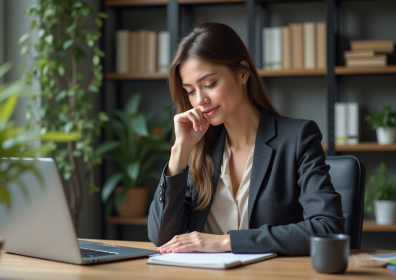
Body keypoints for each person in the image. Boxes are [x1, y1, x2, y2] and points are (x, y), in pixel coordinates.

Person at [147, 22, 344, 256]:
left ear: (242, 73)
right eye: (190, 90)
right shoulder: (201, 148)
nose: (200, 100)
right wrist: (180, 150)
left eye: (210, 84)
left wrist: (226, 242)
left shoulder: (297, 138)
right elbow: (161, 236)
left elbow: (327, 228)